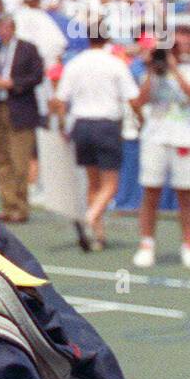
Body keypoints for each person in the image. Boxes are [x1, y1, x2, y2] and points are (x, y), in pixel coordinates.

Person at [53, 35, 141, 251]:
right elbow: (132, 97)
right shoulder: (115, 63)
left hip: (81, 124)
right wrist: (141, 119)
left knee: (93, 183)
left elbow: (60, 100)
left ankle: (98, 235)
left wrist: (64, 126)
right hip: (106, 125)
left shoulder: (75, 63)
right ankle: (90, 217)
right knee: (111, 184)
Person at [131, 25, 190, 268]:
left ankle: (187, 244)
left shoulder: (185, 69)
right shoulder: (153, 70)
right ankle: (147, 244)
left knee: (185, 194)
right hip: (154, 137)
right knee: (150, 191)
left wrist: (175, 69)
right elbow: (139, 101)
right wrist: (153, 69)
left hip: (183, 138)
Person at [0, 16, 43, 224]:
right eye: (0, 28)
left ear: (13, 28)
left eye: (6, 28)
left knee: (19, 160)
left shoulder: (28, 49)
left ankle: (21, 206)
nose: (3, 32)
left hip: (20, 108)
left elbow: (37, 76)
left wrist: (13, 83)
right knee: (2, 159)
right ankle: (8, 205)